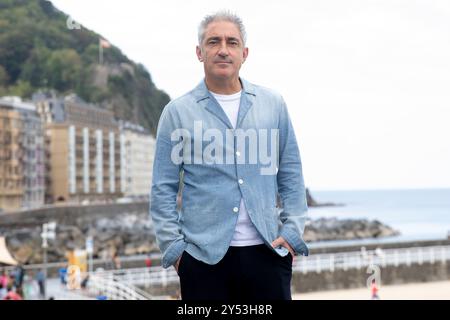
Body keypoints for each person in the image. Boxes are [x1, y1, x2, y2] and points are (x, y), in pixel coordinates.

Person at [150, 10, 309, 300]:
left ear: (244, 53)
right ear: (200, 52)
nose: (223, 49)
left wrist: (292, 232)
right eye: (214, 42)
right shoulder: (177, 113)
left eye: (232, 42)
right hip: (202, 260)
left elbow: (291, 173)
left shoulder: (273, 105)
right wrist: (175, 251)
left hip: (268, 254)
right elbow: (163, 187)